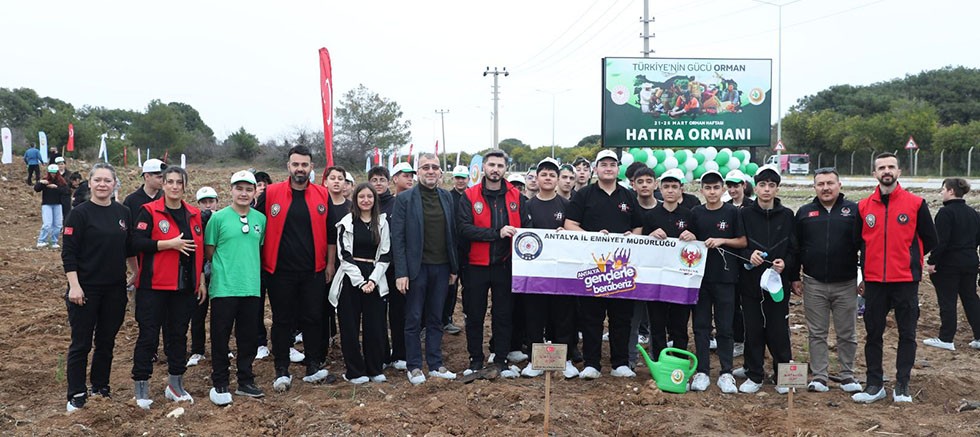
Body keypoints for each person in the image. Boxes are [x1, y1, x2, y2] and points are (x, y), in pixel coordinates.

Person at [853, 152, 937, 404]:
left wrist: (911, 261)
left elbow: (931, 239)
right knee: (873, 334)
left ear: (899, 172)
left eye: (891, 167)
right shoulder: (864, 206)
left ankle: (902, 385)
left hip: (905, 282)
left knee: (907, 334)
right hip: (875, 282)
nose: (886, 171)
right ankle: (874, 384)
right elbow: (859, 243)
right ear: (874, 174)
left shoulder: (916, 203)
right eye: (881, 167)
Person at [254, 146, 333, 392]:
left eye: (305, 164)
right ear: (288, 166)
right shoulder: (272, 193)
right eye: (295, 164)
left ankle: (312, 365)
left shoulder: (322, 194)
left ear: (311, 167)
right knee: (282, 320)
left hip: (313, 270)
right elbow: (256, 225)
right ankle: (281, 369)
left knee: (313, 318)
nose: (300, 169)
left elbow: (331, 234)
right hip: (279, 272)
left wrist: (329, 264)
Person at [62, 163, 137, 412]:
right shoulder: (79, 214)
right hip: (85, 289)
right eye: (98, 180)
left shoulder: (123, 212)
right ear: (90, 183)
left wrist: (135, 272)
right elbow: (69, 253)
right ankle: (76, 393)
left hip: (114, 290)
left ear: (115, 183)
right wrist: (74, 286)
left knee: (106, 341)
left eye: (107, 180)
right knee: (81, 343)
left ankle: (100, 386)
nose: (103, 184)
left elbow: (128, 248)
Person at [564, 150, 644, 379]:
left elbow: (638, 226)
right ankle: (592, 363)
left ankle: (620, 363)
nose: (608, 168)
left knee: (621, 318)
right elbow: (570, 224)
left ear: (618, 169)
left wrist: (632, 236)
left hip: (621, 270)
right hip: (592, 268)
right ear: (595, 169)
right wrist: (593, 238)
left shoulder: (628, 196)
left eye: (612, 164)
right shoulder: (584, 194)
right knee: (591, 318)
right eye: (603, 164)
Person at [130, 166, 205, 409]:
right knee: (148, 337)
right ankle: (141, 388)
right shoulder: (148, 211)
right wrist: (167, 244)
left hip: (183, 289)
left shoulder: (194, 215)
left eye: (179, 182)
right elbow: (136, 242)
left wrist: (200, 280)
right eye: (169, 181)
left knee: (178, 337)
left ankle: (175, 384)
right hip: (153, 287)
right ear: (162, 185)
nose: (174, 186)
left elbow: (199, 252)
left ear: (185, 186)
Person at [792, 167, 863, 393]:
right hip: (814, 283)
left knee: (847, 333)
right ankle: (820, 376)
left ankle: (847, 375)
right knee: (817, 332)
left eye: (830, 183)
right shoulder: (804, 213)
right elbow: (795, 248)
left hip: (847, 283)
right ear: (814, 187)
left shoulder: (854, 211)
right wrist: (794, 277)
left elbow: (865, 246)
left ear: (839, 185)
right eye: (821, 184)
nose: (826, 188)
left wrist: (866, 277)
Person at [392, 153, 460, 384]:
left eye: (435, 167)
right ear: (417, 172)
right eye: (425, 167)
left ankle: (435, 364)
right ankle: (414, 366)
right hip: (416, 269)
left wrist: (453, 267)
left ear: (440, 173)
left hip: (441, 268)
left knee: (435, 318)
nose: (430, 171)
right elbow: (398, 238)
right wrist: (401, 272)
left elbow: (452, 234)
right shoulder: (405, 199)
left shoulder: (446, 197)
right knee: (413, 318)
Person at [204, 171, 267, 405]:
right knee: (220, 336)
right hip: (224, 287)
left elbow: (258, 248)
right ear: (231, 190)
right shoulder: (218, 219)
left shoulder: (260, 219)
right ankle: (220, 380)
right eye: (239, 188)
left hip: (251, 287)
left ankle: (245, 380)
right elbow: (209, 251)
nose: (243, 193)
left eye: (248, 189)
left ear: (254, 193)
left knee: (248, 337)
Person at [736, 165, 798, 394]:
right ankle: (754, 374)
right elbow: (739, 244)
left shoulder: (787, 215)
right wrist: (748, 255)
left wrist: (786, 265)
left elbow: (794, 249)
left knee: (778, 330)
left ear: (777, 188)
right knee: (753, 329)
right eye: (762, 185)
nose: (766, 190)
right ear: (755, 187)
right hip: (751, 282)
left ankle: (784, 376)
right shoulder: (744, 213)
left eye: (771, 185)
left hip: (778, 283)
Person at [687, 170, 747, 392]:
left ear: (723, 189)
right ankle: (702, 371)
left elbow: (742, 241)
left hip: (725, 278)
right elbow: (688, 239)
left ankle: (726, 372)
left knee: (725, 326)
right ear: (701, 190)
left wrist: (723, 240)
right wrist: (688, 237)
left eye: (716, 188)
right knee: (701, 326)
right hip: (700, 279)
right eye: (707, 188)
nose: (712, 192)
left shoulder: (733, 212)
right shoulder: (695, 212)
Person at [521, 158, 579, 379]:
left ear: (557, 180)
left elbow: (577, 233)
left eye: (552, 175)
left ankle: (564, 360)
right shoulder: (527, 205)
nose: (547, 178)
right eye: (543, 174)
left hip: (562, 273)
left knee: (564, 316)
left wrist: (567, 234)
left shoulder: (566, 206)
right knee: (534, 316)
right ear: (536, 178)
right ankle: (535, 361)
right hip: (534, 274)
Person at [329, 183, 391, 384]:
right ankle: (355, 371)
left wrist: (373, 279)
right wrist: (360, 282)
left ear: (375, 199)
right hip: (351, 279)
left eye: (369, 196)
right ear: (355, 200)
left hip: (375, 276)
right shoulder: (346, 223)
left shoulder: (381, 223)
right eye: (361, 197)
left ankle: (374, 368)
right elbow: (344, 255)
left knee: (374, 325)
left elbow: (385, 254)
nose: (366, 200)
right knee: (350, 326)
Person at [641, 168, 696, 361]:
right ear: (660, 189)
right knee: (657, 325)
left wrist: (693, 236)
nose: (670, 190)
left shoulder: (690, 215)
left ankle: (679, 362)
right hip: (657, 280)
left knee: (679, 325)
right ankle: (658, 363)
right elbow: (641, 247)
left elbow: (699, 245)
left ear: (681, 189)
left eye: (674, 186)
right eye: (666, 187)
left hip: (681, 280)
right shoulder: (651, 216)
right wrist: (649, 236)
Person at [923, 178, 980, 351]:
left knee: (947, 300)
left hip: (949, 264)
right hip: (970, 260)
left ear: (951, 191)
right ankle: (979, 336)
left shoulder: (945, 213)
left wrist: (932, 262)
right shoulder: (974, 213)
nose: (941, 193)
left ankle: (946, 338)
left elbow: (941, 242)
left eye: (943, 189)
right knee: (970, 298)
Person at [385, 162, 416, 370]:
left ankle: (403, 352)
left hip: (409, 265)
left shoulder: (418, 202)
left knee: (407, 310)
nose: (410, 178)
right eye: (405, 175)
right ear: (395, 179)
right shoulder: (387, 204)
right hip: (386, 265)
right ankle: (389, 352)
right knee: (391, 312)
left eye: (412, 175)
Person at [187, 186, 219, 368]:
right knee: (198, 313)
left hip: (218, 274)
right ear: (198, 204)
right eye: (204, 202)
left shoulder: (222, 219)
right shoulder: (195, 221)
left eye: (211, 201)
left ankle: (221, 348)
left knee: (220, 314)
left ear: (216, 201)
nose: (208, 205)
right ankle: (197, 350)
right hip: (199, 273)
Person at [324, 167, 352, 361]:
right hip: (322, 260)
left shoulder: (351, 207)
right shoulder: (320, 204)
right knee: (322, 303)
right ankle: (326, 337)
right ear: (325, 181)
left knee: (344, 303)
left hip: (346, 263)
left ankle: (346, 341)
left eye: (340, 178)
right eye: (332, 178)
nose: (336, 182)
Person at [725, 169, 754, 358]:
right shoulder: (725, 207)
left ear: (744, 185)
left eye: (736, 185)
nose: (733, 189)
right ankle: (738, 340)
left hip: (750, 260)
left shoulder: (752, 207)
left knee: (749, 304)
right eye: (730, 186)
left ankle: (750, 340)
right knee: (733, 304)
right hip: (730, 261)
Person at [443, 165, 471, 335]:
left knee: (469, 287)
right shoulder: (447, 197)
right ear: (453, 179)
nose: (460, 181)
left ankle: (469, 317)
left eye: (463, 178)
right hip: (451, 249)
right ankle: (446, 318)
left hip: (469, 250)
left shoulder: (473, 196)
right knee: (449, 286)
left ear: (468, 178)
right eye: (457, 178)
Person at [35, 164, 68, 249]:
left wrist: (55, 187)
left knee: (58, 225)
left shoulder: (61, 181)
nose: (53, 174)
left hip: (58, 204)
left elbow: (65, 191)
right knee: (47, 224)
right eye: (51, 173)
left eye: (54, 172)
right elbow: (36, 189)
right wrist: (41, 183)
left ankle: (54, 241)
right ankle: (41, 240)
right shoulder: (45, 180)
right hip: (47, 204)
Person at [124, 159, 166, 223]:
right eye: (159, 177)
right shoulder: (131, 201)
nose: (163, 180)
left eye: (164, 177)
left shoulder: (167, 198)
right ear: (147, 176)